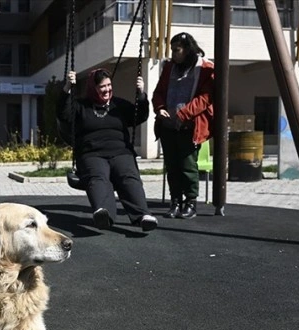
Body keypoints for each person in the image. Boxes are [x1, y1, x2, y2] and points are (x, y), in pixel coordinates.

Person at [57, 68, 158, 232]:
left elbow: (139, 116)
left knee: (129, 177)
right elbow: (63, 114)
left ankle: (143, 216)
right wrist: (67, 87)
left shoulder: (118, 105)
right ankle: (103, 214)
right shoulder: (81, 106)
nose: (107, 90)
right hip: (92, 153)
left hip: (120, 152)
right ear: (93, 88)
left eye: (109, 85)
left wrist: (141, 94)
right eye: (102, 87)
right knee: (98, 177)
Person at [152, 32, 215, 219]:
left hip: (189, 126)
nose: (173, 54)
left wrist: (184, 113)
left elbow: (206, 97)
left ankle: (190, 202)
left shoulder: (205, 68)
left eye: (177, 50)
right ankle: (175, 201)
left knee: (188, 166)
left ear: (187, 50)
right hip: (168, 126)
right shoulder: (169, 67)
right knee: (172, 166)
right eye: (172, 50)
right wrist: (160, 107)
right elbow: (159, 92)